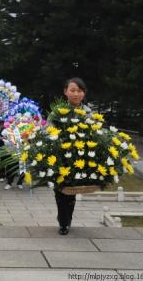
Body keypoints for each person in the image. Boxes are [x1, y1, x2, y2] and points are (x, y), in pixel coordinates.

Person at [55, 77, 92, 235]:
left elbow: (94, 133)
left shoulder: (89, 113)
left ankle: (66, 219)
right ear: (65, 92)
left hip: (79, 157)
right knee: (60, 190)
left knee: (72, 191)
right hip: (60, 157)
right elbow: (49, 131)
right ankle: (63, 221)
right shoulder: (58, 111)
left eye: (79, 90)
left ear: (84, 93)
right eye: (72, 90)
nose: (76, 94)